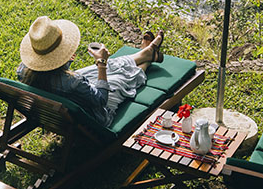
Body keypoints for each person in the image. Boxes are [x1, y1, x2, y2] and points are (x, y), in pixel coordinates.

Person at [17, 16, 164, 126]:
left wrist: (65, 62)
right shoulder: (73, 82)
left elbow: (50, 74)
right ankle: (148, 58)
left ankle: (146, 52)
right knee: (121, 79)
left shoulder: (23, 70)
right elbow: (101, 99)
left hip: (65, 109)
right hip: (93, 115)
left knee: (113, 65)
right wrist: (101, 64)